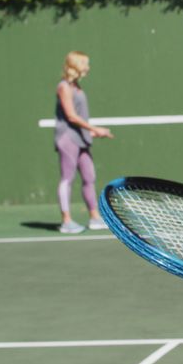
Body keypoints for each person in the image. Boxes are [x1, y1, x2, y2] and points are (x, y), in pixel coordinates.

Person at [54, 51, 113, 234]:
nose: (88, 68)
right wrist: (95, 129)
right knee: (67, 179)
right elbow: (71, 116)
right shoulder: (64, 87)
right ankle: (66, 221)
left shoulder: (77, 86)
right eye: (85, 64)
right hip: (67, 139)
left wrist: (90, 134)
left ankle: (95, 218)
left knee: (89, 178)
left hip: (82, 139)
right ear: (76, 65)